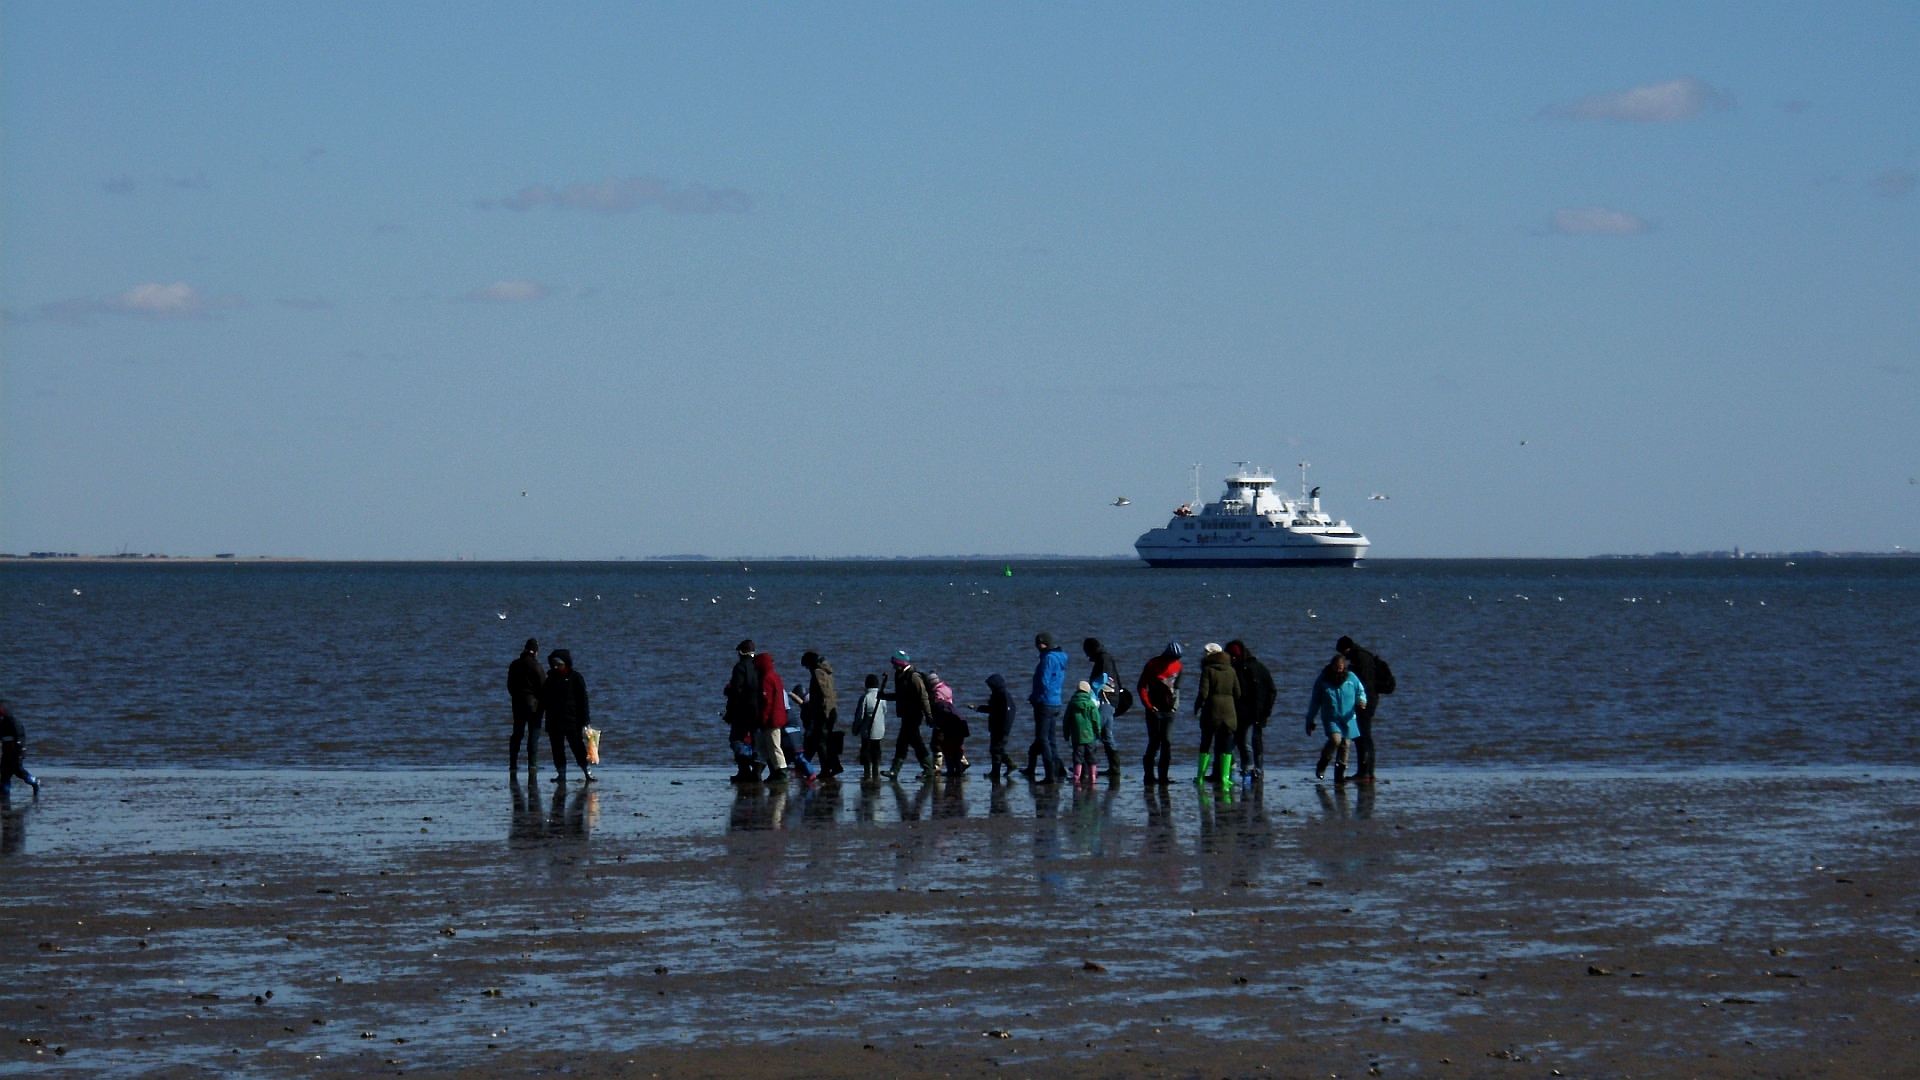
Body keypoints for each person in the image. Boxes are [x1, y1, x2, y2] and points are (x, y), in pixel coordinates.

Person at [1336, 636, 1394, 785]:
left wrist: (1357, 700)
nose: (1343, 656)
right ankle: (1368, 772)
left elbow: (1363, 683)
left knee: (1362, 736)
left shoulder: (1359, 658)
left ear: (1346, 648)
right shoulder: (1364, 655)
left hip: (1366, 701)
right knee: (1365, 735)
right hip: (1370, 698)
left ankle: (1364, 772)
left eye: (1342, 652)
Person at [1304, 653, 1368, 786]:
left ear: (1344, 667)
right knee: (1335, 740)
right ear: (1332, 666)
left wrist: (1361, 701)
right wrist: (1310, 720)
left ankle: (1339, 776)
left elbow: (1360, 692)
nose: (1339, 670)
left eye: (1341, 667)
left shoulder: (1351, 678)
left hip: (1348, 718)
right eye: (1336, 667)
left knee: (1345, 745)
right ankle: (1323, 762)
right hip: (1331, 717)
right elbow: (1315, 701)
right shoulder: (1323, 680)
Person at [540, 649, 595, 784]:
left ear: (566, 663)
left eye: (558, 664)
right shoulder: (550, 679)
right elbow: (543, 701)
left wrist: (586, 722)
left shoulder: (576, 678)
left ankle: (587, 772)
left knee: (578, 748)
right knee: (557, 750)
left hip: (572, 721)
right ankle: (561, 774)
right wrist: (539, 718)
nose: (555, 667)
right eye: (553, 664)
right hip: (554, 721)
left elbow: (583, 701)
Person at [1224, 640, 1277, 781]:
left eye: (1234, 656)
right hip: (1249, 713)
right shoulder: (1256, 668)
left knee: (1246, 742)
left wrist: (1266, 710)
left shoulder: (1249, 669)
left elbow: (1270, 691)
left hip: (1251, 713)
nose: (1232, 659)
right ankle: (1253, 769)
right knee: (1248, 742)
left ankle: (1251, 769)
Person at [1193, 643, 1241, 789]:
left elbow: (1203, 693)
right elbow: (1238, 693)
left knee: (1206, 742)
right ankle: (1225, 778)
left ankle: (1200, 776)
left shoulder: (1208, 670)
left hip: (1211, 711)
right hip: (1229, 711)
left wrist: (1197, 706)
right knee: (1226, 744)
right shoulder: (1231, 670)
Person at [1135, 643, 1183, 785]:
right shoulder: (1152, 664)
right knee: (1154, 742)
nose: (1172, 661)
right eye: (1171, 658)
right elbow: (1142, 686)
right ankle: (1149, 775)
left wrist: (1175, 707)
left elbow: (1178, 687)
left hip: (1170, 711)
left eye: (1176, 658)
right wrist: (1148, 705)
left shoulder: (1178, 666)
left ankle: (1164, 776)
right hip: (1154, 710)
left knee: (1167, 742)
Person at [882, 651, 934, 780]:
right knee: (910, 742)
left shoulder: (914, 677)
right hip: (905, 715)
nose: (893, 666)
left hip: (915, 714)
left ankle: (897, 770)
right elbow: (900, 696)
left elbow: (923, 697)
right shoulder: (899, 675)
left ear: (900, 663)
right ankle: (927, 769)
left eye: (894, 663)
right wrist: (885, 696)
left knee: (907, 742)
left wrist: (928, 715)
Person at [1024, 633, 1069, 782]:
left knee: (1043, 739)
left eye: (1039, 644)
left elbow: (1044, 682)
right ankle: (1058, 770)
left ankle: (1050, 774)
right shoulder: (1059, 657)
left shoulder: (1048, 659)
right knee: (1051, 739)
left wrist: (1035, 697)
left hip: (1045, 702)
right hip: (1055, 701)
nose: (1037, 647)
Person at [1083, 638, 1125, 781]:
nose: (1087, 656)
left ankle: (1086, 767)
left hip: (1105, 700)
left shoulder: (1104, 659)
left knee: (1094, 731)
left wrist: (1092, 695)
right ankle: (1114, 768)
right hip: (1111, 700)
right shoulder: (1105, 657)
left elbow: (1103, 679)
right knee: (1107, 735)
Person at [799, 651, 843, 779]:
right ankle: (834, 766)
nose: (807, 669)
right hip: (831, 711)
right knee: (826, 741)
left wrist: (824, 712)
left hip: (824, 713)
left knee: (821, 742)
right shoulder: (826, 672)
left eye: (807, 666)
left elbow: (825, 694)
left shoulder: (818, 673)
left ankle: (826, 769)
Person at [723, 640, 761, 783]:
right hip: (758, 711)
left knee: (736, 740)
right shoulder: (758, 667)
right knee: (757, 741)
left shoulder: (740, 667)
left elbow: (736, 692)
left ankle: (744, 769)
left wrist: (730, 712)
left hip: (742, 711)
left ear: (741, 652)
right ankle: (756, 772)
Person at [506, 638, 545, 776]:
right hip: (534, 706)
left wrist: (516, 696)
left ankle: (513, 764)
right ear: (535, 652)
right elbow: (542, 688)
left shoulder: (514, 665)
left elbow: (510, 686)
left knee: (517, 734)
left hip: (517, 704)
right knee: (533, 735)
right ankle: (532, 765)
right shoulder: (536, 666)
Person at [754, 652, 791, 782]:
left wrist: (763, 719)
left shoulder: (766, 679)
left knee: (774, 746)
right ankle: (775, 771)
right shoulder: (775, 677)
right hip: (778, 716)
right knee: (766, 746)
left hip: (772, 719)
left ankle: (781, 771)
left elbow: (767, 701)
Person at [974, 673, 1017, 781]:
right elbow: (992, 709)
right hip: (995, 727)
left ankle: (1001, 769)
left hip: (1001, 728)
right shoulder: (996, 695)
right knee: (996, 749)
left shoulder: (1003, 695)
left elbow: (1008, 713)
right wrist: (978, 708)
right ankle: (1000, 768)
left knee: (996, 749)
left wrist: (1005, 728)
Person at [926, 672, 970, 776]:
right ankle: (962, 763)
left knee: (939, 744)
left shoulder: (937, 694)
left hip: (945, 721)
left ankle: (939, 767)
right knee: (954, 746)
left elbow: (938, 707)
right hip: (954, 720)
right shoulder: (946, 689)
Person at [0, 700, 40, 802]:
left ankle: (35, 782)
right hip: (6, 753)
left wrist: (20, 752)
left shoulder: (15, 724)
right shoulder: (2, 725)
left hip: (15, 753)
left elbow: (20, 739)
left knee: (19, 772)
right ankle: (5, 796)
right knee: (4, 774)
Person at [1064, 680, 1102, 785]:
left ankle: (1076, 776)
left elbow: (1066, 720)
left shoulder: (1072, 703)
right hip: (1090, 736)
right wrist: (1098, 731)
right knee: (1091, 757)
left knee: (1077, 757)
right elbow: (1096, 719)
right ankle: (1093, 776)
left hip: (1077, 736)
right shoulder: (1091, 704)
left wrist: (1066, 734)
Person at [853, 674, 889, 781]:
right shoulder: (882, 697)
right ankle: (876, 770)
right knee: (876, 750)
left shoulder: (865, 698)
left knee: (866, 751)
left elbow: (860, 716)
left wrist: (855, 729)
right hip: (879, 730)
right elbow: (884, 711)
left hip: (867, 730)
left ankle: (867, 772)